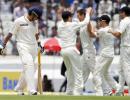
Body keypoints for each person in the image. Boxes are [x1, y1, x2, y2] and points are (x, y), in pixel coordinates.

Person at [2, 6, 43, 95]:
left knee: (29, 68)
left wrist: (40, 44)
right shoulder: (19, 21)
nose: (37, 19)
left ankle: (18, 88)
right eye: (37, 17)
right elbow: (10, 34)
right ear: (32, 14)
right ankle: (31, 89)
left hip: (33, 47)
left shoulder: (35, 22)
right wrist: (3, 45)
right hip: (22, 45)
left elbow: (36, 35)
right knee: (29, 65)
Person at [57, 7, 92, 95]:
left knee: (69, 71)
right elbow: (85, 22)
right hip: (71, 49)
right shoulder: (72, 25)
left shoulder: (60, 25)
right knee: (78, 71)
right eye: (71, 17)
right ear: (69, 18)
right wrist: (87, 13)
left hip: (63, 51)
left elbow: (64, 19)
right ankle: (78, 91)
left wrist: (68, 12)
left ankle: (69, 91)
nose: (72, 18)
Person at [77, 8, 103, 96]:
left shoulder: (88, 23)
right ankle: (78, 90)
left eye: (79, 16)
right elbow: (92, 33)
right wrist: (96, 33)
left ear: (83, 15)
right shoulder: (82, 25)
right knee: (83, 72)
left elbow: (91, 33)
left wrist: (88, 13)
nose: (78, 17)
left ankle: (99, 91)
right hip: (85, 52)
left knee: (95, 71)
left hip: (89, 51)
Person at [94, 15, 119, 96]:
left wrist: (86, 23)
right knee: (105, 73)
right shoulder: (110, 29)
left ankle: (105, 91)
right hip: (111, 54)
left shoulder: (103, 30)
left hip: (105, 54)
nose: (99, 22)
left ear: (103, 21)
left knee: (96, 72)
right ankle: (118, 89)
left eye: (100, 21)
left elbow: (92, 33)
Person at [108, 6, 130, 96]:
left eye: (121, 12)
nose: (120, 14)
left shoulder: (124, 21)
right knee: (121, 69)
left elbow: (118, 34)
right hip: (126, 47)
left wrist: (110, 31)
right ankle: (120, 91)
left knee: (126, 70)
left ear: (124, 13)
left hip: (126, 47)